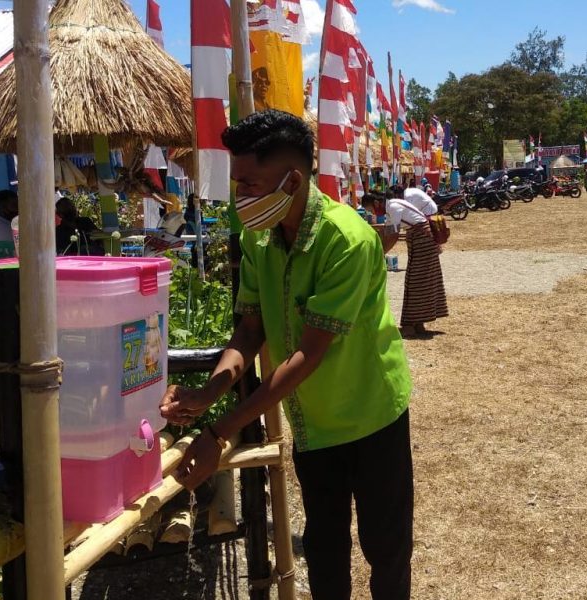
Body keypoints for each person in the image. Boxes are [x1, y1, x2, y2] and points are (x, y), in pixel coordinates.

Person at [159, 110, 414, 600]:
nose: (242, 198)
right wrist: (208, 391)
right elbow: (250, 330)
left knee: (385, 547)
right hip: (314, 426)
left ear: (293, 179)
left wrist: (218, 432)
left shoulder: (348, 240)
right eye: (238, 184)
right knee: (323, 547)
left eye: (252, 183)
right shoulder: (260, 238)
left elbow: (306, 356)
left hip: (370, 415)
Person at [362, 188, 448, 339]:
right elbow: (387, 233)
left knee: (416, 281)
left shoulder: (393, 207)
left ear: (377, 203)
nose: (373, 214)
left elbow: (393, 236)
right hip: (420, 239)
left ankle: (411, 324)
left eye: (371, 210)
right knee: (418, 280)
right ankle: (417, 323)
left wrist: (379, 254)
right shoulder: (392, 206)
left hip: (422, 240)